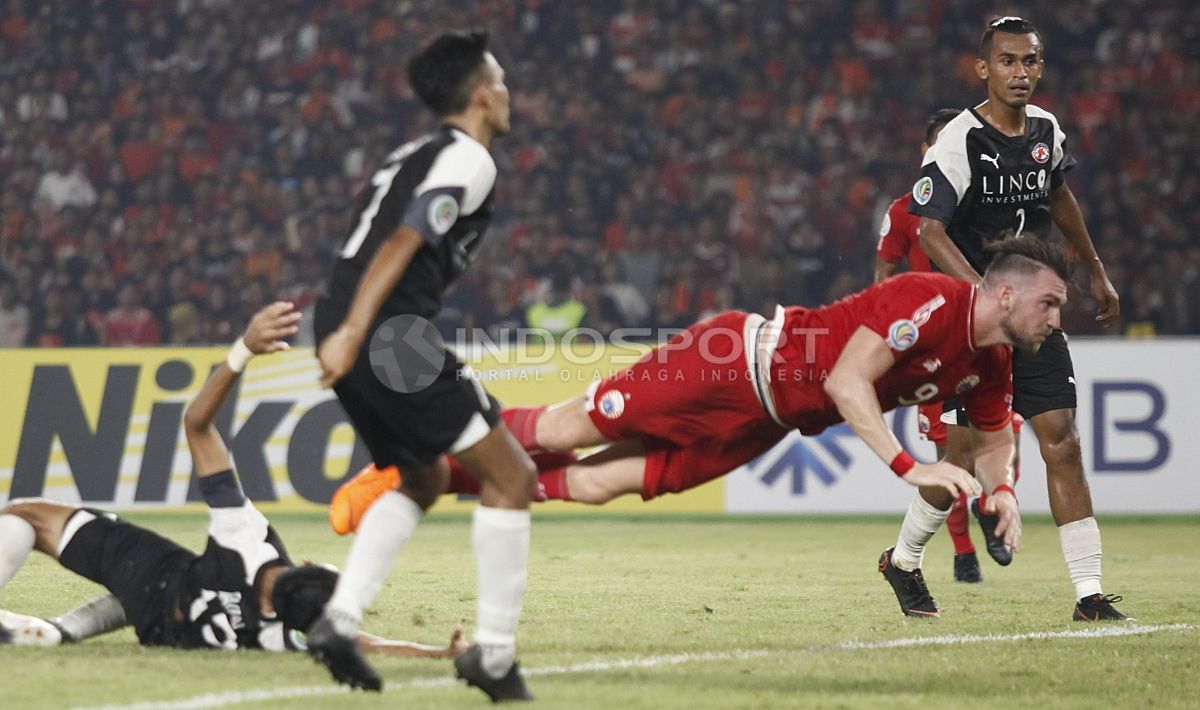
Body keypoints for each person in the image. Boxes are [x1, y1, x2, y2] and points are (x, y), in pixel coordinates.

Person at [335, 239, 1077, 598]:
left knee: (602, 488)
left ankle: (427, 478)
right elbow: (851, 382)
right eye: (1049, 302)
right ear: (1004, 295)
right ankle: (411, 454)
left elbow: (989, 439)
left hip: (763, 422)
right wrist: (911, 467)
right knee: (564, 433)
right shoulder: (933, 299)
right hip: (728, 362)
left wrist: (1004, 489)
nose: (1055, 318)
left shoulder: (995, 364)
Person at [0, 302, 464, 662]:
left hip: (157, 578)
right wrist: (436, 654)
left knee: (26, 513)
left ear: (307, 565)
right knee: (127, 603)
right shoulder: (279, 641)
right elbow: (367, 644)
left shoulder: (247, 539)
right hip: (170, 630)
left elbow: (197, 424)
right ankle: (62, 630)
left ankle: (50, 625)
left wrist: (242, 351)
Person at [309, 31, 535, 700]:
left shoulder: (414, 152)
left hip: (351, 318)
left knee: (423, 474)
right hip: (383, 331)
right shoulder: (468, 159)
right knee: (512, 475)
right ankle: (493, 656)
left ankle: (340, 621)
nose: (506, 90)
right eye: (500, 78)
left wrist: (347, 325)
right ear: (481, 93)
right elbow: (408, 234)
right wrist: (358, 331)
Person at [899, 17, 1127, 622]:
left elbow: (1057, 197)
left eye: (1029, 62)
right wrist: (983, 298)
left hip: (1035, 319)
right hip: (972, 327)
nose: (1019, 72)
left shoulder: (1046, 130)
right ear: (984, 69)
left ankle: (1089, 596)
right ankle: (902, 560)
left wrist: (1095, 270)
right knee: (962, 459)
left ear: (1040, 67)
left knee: (1064, 443)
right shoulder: (959, 139)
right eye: (1007, 62)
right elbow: (929, 230)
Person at [875, 108, 1025, 585]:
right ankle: (962, 551)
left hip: (988, 335)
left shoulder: (986, 209)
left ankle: (990, 504)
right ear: (925, 153)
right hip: (934, 343)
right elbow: (883, 275)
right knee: (950, 452)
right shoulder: (905, 210)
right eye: (939, 146)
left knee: (1004, 436)